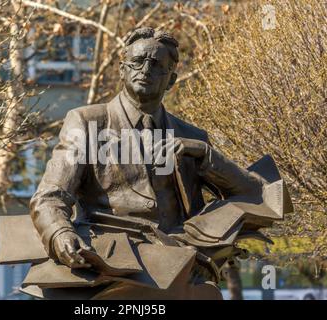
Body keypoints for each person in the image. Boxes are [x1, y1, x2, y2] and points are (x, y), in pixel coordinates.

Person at [30, 27, 264, 299]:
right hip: (107, 264)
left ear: (172, 79)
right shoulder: (87, 122)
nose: (145, 70)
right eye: (137, 62)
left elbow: (254, 194)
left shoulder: (192, 137)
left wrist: (205, 153)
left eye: (156, 65)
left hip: (177, 265)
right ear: (122, 69)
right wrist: (60, 234)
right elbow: (49, 196)